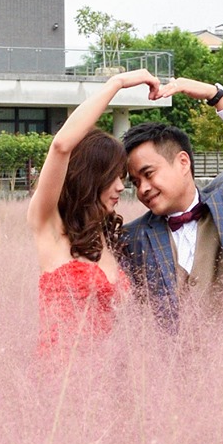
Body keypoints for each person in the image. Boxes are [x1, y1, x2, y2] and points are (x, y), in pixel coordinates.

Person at [118, 78, 223, 327]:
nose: (143, 188)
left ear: (183, 162)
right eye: (135, 182)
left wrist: (215, 95)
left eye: (149, 174)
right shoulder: (132, 238)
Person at [29, 69, 162, 356]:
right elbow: (62, 146)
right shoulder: (49, 224)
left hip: (105, 382)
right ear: (90, 176)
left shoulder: (109, 237)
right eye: (112, 177)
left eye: (123, 179)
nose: (120, 187)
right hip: (59, 377)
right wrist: (117, 84)